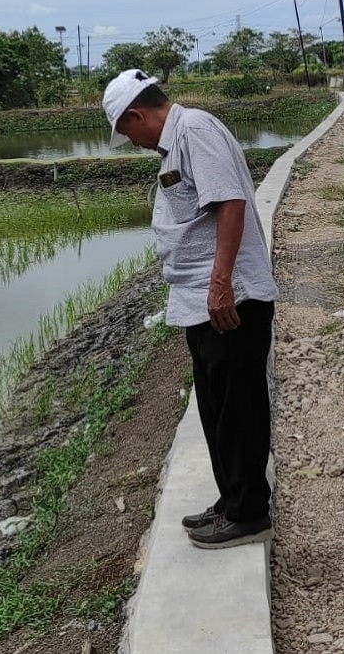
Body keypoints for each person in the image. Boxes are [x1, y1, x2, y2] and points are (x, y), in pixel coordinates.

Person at [102, 68, 278, 549]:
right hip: (200, 300)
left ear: (137, 115)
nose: (132, 142)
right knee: (216, 405)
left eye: (126, 132)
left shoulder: (195, 129)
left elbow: (230, 203)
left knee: (238, 408)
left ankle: (248, 513)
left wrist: (221, 283)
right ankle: (230, 503)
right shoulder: (176, 142)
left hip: (228, 298)